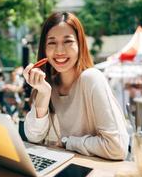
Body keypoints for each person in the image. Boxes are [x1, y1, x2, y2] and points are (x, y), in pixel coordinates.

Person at [22, 12, 129, 160]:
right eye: (52, 42)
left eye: (68, 41)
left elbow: (117, 148)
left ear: (80, 44)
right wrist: (44, 93)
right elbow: (33, 137)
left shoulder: (91, 78)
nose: (59, 51)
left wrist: (68, 142)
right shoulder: (46, 85)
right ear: (44, 49)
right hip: (59, 170)